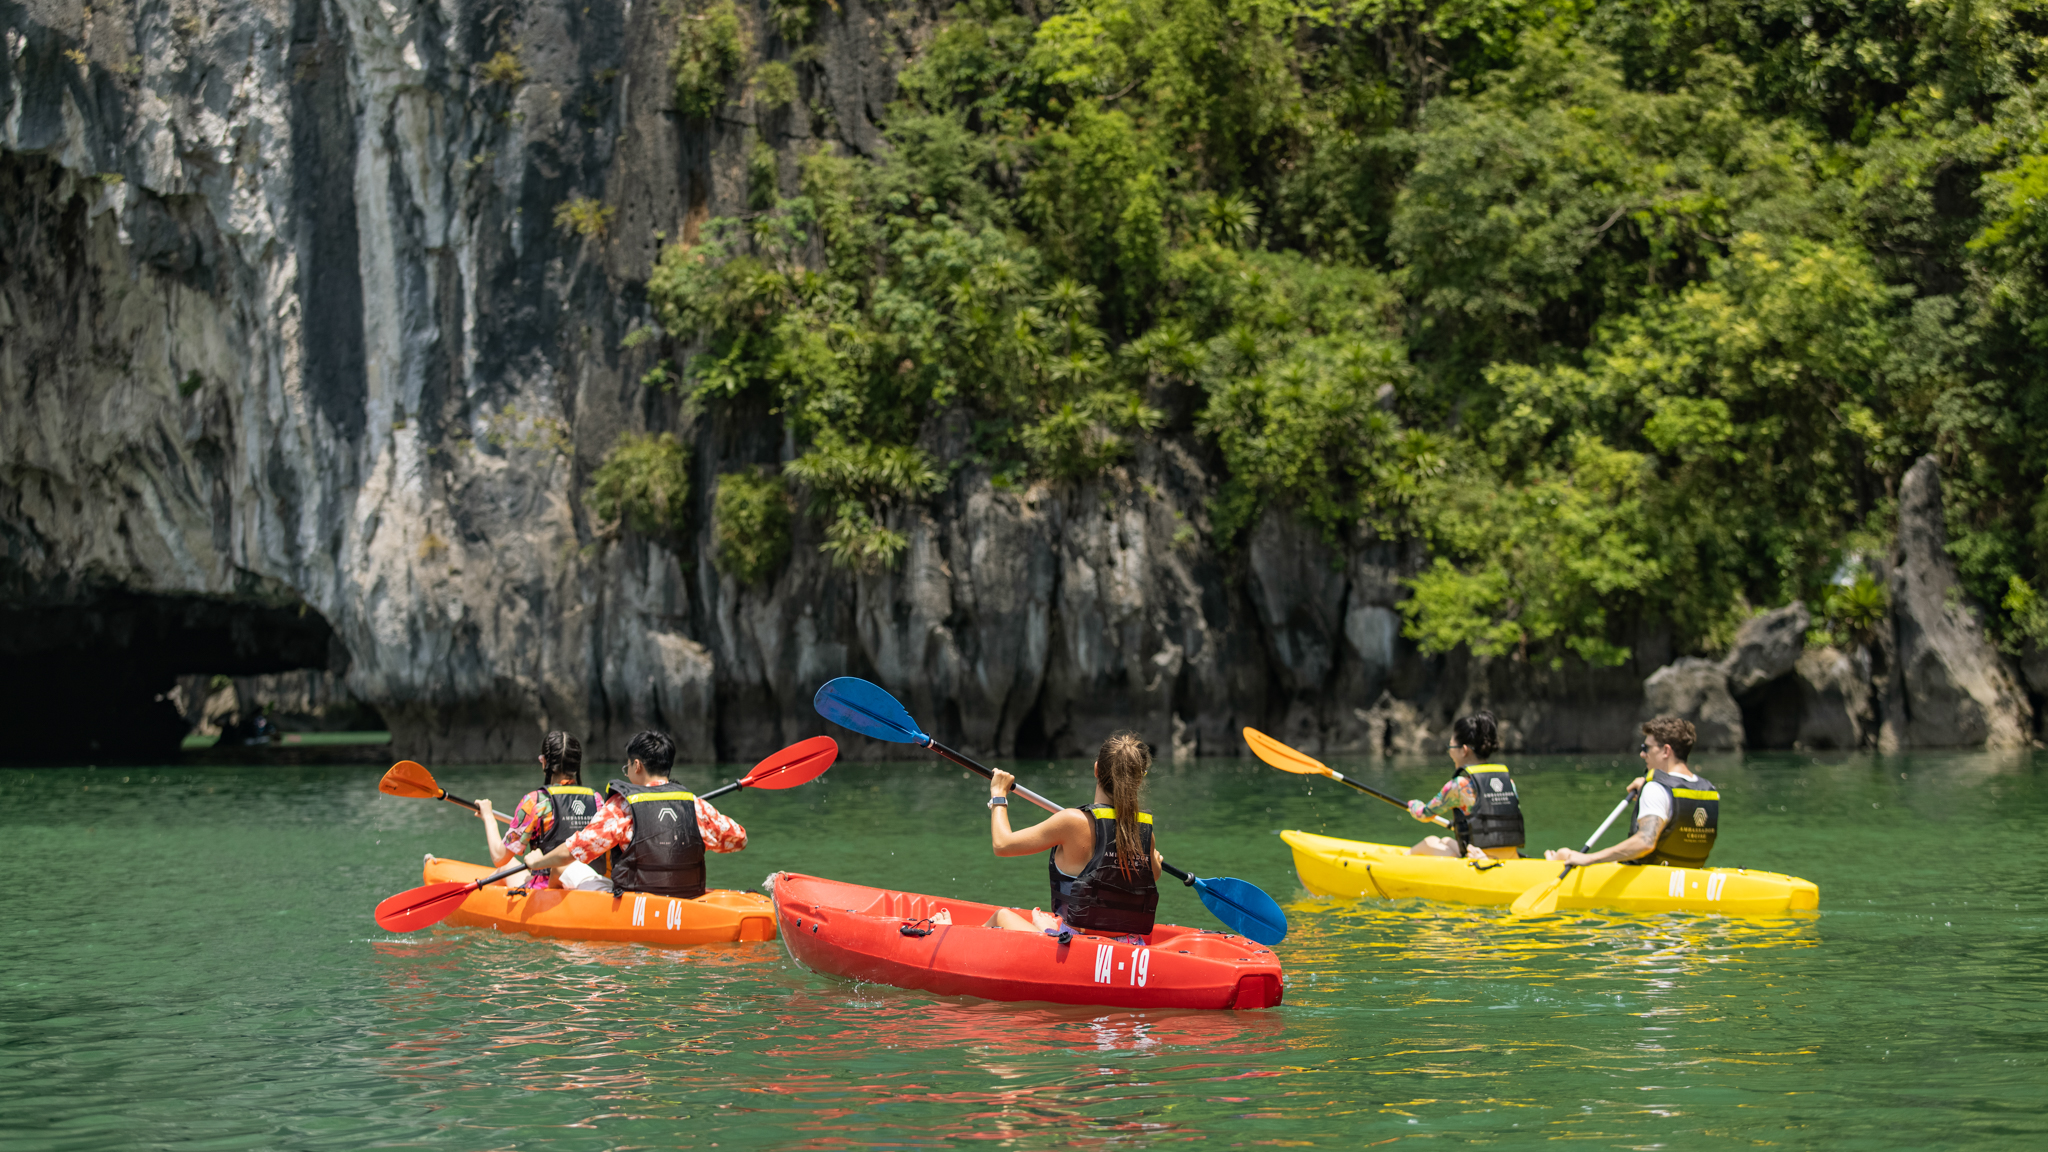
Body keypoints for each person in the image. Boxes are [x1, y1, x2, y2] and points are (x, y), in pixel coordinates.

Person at [516, 730, 747, 897]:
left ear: (637, 766)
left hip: (634, 901)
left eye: (627, 768)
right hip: (687, 896)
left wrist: (538, 861)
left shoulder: (622, 806)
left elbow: (575, 849)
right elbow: (739, 839)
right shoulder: (695, 805)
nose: (627, 774)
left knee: (562, 866)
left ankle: (550, 906)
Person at [983, 732, 1163, 941]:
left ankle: (1048, 929)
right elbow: (1153, 876)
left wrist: (998, 795)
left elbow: (1002, 845)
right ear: (1138, 780)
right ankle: (1048, 928)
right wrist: (1155, 861)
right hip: (1130, 945)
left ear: (1096, 769)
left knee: (1001, 916)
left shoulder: (1072, 821)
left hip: (1077, 945)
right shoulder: (1144, 834)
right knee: (1049, 923)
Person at [1544, 716, 1717, 870]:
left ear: (1666, 751)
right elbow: (1677, 806)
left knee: (1563, 854)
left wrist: (1589, 858)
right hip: (1689, 874)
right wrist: (1646, 788)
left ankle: (1553, 864)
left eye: (1646, 748)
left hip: (1649, 875)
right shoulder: (1709, 790)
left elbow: (1645, 842)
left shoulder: (1656, 788)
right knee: (1565, 853)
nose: (1642, 754)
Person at [476, 731, 605, 891]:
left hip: (546, 888)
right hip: (586, 885)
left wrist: (488, 816)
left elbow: (499, 857)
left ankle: (478, 897)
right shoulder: (597, 800)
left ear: (544, 762)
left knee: (505, 866)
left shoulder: (536, 802)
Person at [1405, 710, 1524, 860]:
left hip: (1479, 858)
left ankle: (1397, 862)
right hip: (1511, 856)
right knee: (1446, 840)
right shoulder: (1508, 782)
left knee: (1429, 842)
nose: (1450, 753)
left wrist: (1413, 805)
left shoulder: (1459, 785)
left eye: (1451, 747)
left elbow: (1424, 814)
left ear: (1464, 750)